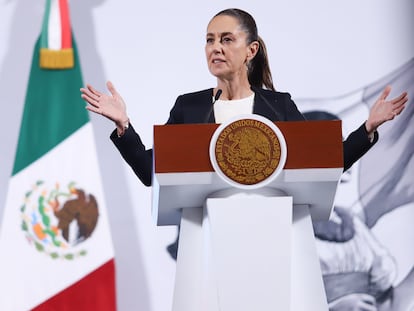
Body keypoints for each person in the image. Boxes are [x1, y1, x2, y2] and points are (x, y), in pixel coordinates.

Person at [80, 8, 408, 254]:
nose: (215, 48)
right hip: (204, 244)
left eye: (226, 39)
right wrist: (124, 125)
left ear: (250, 51)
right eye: (209, 40)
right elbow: (151, 171)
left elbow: (326, 161)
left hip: (272, 242)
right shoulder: (189, 108)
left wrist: (367, 128)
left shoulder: (278, 106)